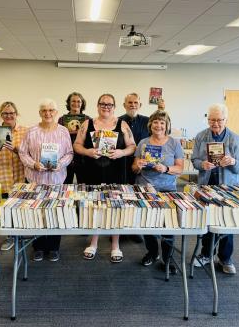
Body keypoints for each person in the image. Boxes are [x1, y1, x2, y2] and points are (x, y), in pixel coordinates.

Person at [74, 93, 136, 263]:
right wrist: (88, 151)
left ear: (114, 107)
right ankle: (93, 242)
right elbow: (77, 145)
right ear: (98, 105)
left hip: (116, 171)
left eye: (109, 104)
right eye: (103, 104)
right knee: (94, 205)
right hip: (92, 171)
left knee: (115, 206)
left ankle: (115, 245)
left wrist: (121, 152)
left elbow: (132, 146)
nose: (106, 107)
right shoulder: (88, 123)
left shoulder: (122, 124)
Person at [191, 103, 239, 274]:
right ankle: (206, 254)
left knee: (227, 222)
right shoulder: (201, 137)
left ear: (226, 120)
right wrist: (203, 164)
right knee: (207, 222)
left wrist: (233, 162)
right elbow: (194, 161)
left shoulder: (235, 139)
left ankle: (225, 258)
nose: (215, 123)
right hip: (206, 186)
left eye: (219, 120)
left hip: (228, 188)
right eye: (211, 120)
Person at [19, 98, 73, 262]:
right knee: (37, 213)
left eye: (51, 110)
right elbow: (22, 153)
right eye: (44, 110)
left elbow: (69, 153)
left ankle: (54, 247)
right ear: (40, 113)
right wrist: (33, 164)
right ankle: (39, 247)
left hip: (56, 180)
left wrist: (60, 164)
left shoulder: (63, 131)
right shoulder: (31, 131)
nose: (47, 113)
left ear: (56, 113)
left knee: (55, 213)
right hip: (35, 180)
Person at [132, 110, 184, 274]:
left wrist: (166, 168)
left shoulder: (175, 143)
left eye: (162, 122)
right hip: (146, 187)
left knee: (169, 225)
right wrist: (138, 165)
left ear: (167, 125)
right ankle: (153, 253)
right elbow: (133, 168)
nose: (158, 125)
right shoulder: (143, 143)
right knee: (148, 223)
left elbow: (180, 169)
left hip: (168, 189)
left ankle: (167, 258)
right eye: (155, 122)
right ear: (150, 124)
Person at [0, 101, 28, 251]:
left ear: (16, 114)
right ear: (1, 115)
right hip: (1, 178)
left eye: (11, 113)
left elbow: (30, 156)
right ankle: (9, 237)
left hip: (20, 177)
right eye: (5, 113)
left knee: (19, 206)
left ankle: (21, 234)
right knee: (3, 209)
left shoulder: (26, 131)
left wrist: (16, 150)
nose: (9, 116)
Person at [119, 92, 149, 244]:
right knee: (123, 196)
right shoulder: (117, 121)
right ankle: (121, 230)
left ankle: (135, 229)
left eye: (135, 102)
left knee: (138, 197)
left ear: (140, 105)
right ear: (124, 105)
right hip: (121, 164)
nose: (132, 105)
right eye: (129, 102)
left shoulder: (148, 121)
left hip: (141, 166)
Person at [58, 92, 90, 183]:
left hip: (83, 159)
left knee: (83, 185)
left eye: (78, 101)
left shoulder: (88, 119)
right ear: (69, 103)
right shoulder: (61, 119)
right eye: (73, 101)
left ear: (82, 103)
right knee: (65, 185)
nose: (76, 103)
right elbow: (58, 138)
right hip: (66, 158)